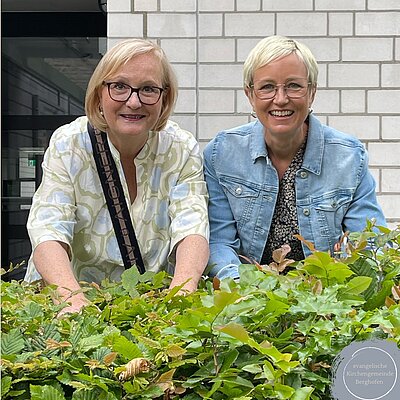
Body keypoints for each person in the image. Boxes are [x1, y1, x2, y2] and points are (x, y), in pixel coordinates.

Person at [25, 38, 210, 313]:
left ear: (165, 97)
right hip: (73, 301)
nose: (133, 102)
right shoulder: (69, 144)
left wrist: (182, 291)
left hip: (152, 306)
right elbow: (48, 227)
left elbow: (192, 225)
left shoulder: (181, 147)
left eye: (148, 89)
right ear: (99, 94)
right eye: (119, 87)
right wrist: (70, 298)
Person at [203, 35, 386, 280]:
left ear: (312, 92)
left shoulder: (349, 157)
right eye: (267, 86)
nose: (280, 98)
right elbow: (218, 242)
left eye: (293, 86)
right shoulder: (222, 153)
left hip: (324, 301)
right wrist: (244, 293)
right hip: (247, 300)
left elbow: (369, 245)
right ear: (250, 94)